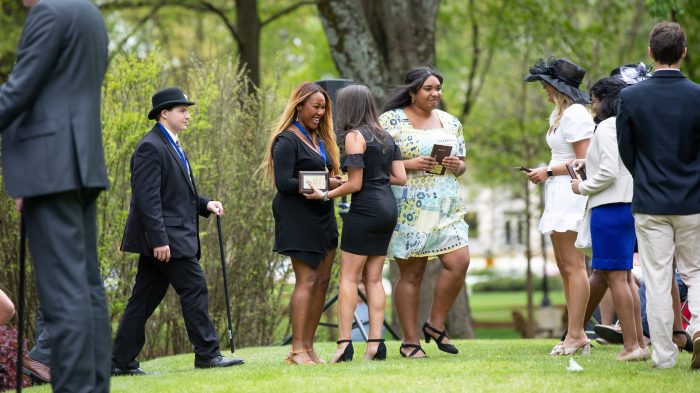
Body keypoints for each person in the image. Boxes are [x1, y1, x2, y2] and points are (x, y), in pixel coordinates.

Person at [0, 0, 111, 391]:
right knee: (86, 287)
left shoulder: (48, 13)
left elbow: (20, 90)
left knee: (62, 293)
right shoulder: (89, 14)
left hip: (51, 168)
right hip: (80, 165)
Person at [112, 87, 244, 374]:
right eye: (181, 110)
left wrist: (205, 203)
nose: (187, 115)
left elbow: (177, 195)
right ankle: (208, 354)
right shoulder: (151, 147)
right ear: (164, 113)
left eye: (187, 110)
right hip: (167, 241)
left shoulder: (172, 144)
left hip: (169, 239)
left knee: (142, 301)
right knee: (194, 287)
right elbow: (147, 200)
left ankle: (120, 362)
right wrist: (158, 240)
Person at [617, 21, 700, 370]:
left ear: (651, 53)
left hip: (651, 201)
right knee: (697, 271)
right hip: (693, 200)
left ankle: (665, 356)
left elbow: (627, 150)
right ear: (683, 53)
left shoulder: (630, 96)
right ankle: (698, 328)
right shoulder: (698, 94)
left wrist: (645, 177)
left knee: (657, 276)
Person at [305, 85, 406, 362]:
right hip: (387, 209)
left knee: (348, 278)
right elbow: (400, 177)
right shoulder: (387, 136)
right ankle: (375, 344)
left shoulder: (354, 136)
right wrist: (374, 178)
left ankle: (344, 344)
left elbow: (355, 183)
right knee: (373, 279)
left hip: (366, 211)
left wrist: (325, 193)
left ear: (348, 107)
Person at [379, 67, 470, 358]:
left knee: (459, 261)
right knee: (412, 273)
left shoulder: (450, 122)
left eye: (438, 88)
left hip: (446, 203)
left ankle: (435, 324)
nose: (435, 94)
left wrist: (458, 166)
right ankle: (410, 342)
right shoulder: (390, 121)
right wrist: (409, 164)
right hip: (409, 205)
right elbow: (374, 163)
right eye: (429, 89)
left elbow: (464, 162)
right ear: (412, 91)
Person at [260, 82, 342, 365]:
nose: (320, 112)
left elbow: (326, 173)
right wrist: (325, 182)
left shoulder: (320, 139)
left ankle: (308, 347)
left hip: (324, 214)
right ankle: (296, 350)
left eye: (323, 108)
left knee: (322, 282)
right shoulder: (286, 140)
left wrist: (335, 183)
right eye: (316, 107)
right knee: (306, 280)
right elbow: (283, 183)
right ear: (299, 106)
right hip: (297, 216)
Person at [570, 76, 648, 361]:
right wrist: (585, 163)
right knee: (625, 277)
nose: (593, 105)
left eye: (594, 99)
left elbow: (607, 173)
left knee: (617, 278)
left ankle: (631, 346)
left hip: (609, 207)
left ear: (606, 101)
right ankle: (638, 343)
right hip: (628, 205)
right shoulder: (629, 125)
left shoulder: (605, 126)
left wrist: (582, 186)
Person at [524, 57, 594, 355]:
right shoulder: (559, 113)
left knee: (574, 265)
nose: (543, 89)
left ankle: (578, 333)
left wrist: (550, 171)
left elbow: (585, 159)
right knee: (563, 266)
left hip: (571, 195)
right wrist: (546, 171)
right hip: (556, 194)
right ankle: (573, 332)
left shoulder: (576, 114)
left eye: (545, 84)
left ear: (556, 85)